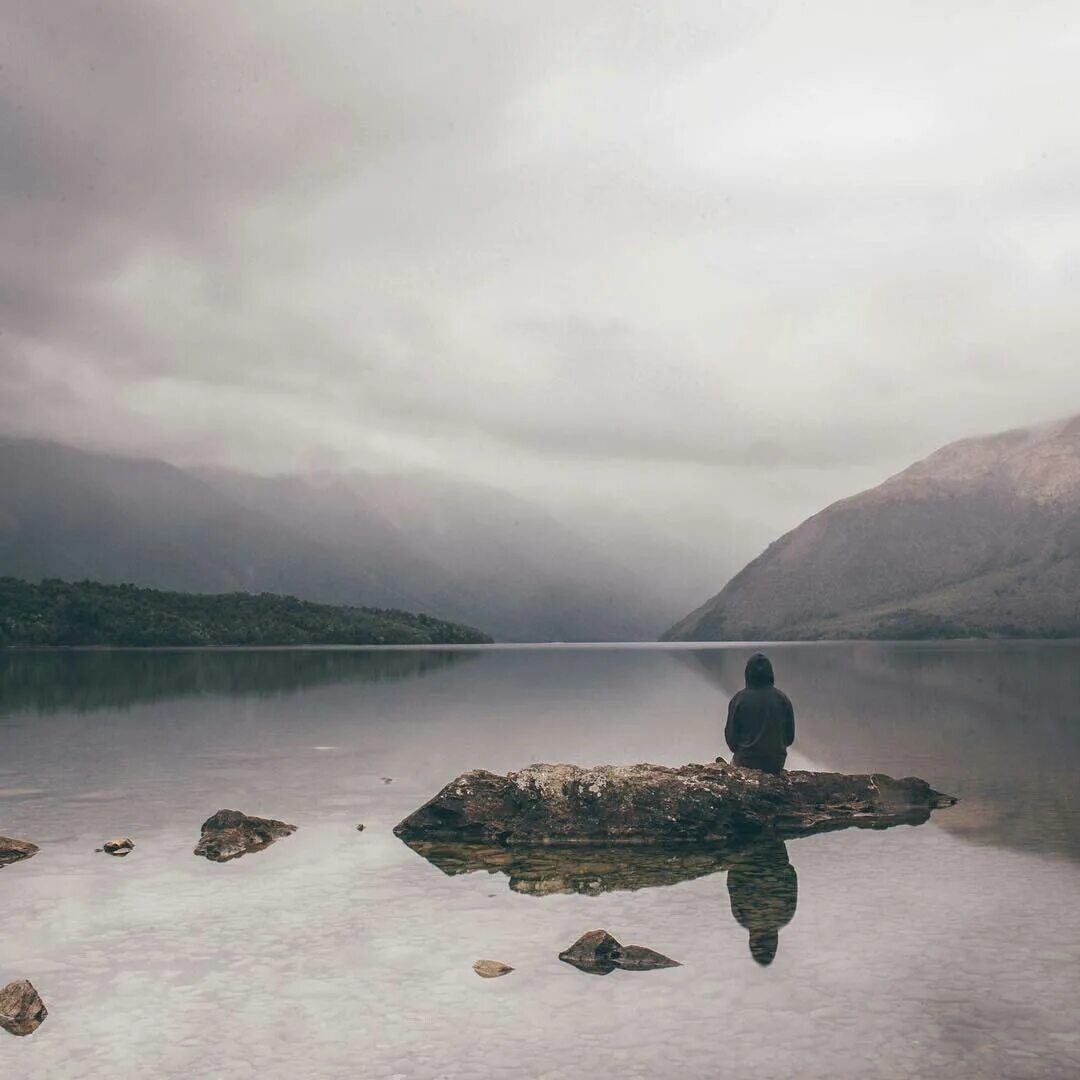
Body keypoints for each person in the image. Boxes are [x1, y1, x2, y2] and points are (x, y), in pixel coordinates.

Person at [726, 838, 798, 966]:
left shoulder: (785, 917)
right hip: (748, 858)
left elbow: (791, 878)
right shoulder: (743, 919)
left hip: (770, 858)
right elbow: (733, 884)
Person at [724, 652, 794, 774]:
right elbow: (789, 738)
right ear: (770, 674)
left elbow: (731, 740)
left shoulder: (739, 699)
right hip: (776, 763)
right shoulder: (782, 698)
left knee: (732, 768)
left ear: (747, 673)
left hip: (746, 761)